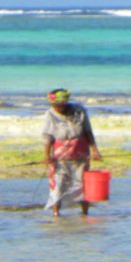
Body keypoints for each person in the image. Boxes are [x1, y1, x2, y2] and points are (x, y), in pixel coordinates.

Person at [42, 88, 102, 216]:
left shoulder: (79, 111)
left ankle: (85, 212)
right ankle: (56, 213)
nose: (57, 108)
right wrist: (47, 156)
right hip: (60, 156)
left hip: (80, 153)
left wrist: (95, 150)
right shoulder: (50, 114)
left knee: (82, 184)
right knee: (58, 185)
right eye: (54, 105)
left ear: (65, 103)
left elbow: (87, 131)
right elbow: (47, 137)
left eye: (59, 105)